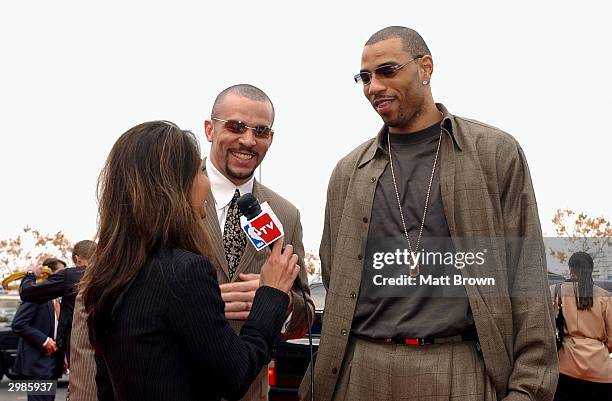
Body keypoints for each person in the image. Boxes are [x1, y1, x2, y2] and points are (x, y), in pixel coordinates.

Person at [300, 26, 558, 401]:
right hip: (360, 370)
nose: (373, 87)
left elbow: (528, 279)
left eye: (387, 71)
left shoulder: (495, 153)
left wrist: (527, 390)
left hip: (460, 370)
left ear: (426, 67)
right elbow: (333, 275)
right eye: (365, 78)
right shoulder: (347, 172)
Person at [69, 84, 314, 401]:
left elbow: (304, 312)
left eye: (261, 131)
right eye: (236, 126)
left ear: (271, 138)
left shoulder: (285, 214)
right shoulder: (159, 194)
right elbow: (99, 298)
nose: (248, 140)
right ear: (210, 129)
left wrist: (279, 302)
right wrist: (202, 303)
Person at [20, 240, 96, 364]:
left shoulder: (70, 275)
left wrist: (30, 274)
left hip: (80, 348)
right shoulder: (111, 276)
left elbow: (27, 293)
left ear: (77, 259)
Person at [552, 252, 612, 400]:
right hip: (601, 371)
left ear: (571, 269)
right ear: (591, 270)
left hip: (566, 367)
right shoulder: (605, 297)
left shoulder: (555, 291)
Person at [12, 258, 66, 401]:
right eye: (61, 272)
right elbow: (18, 323)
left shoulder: (58, 299)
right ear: (48, 273)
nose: (65, 277)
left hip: (53, 363)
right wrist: (44, 340)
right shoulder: (36, 294)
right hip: (38, 363)